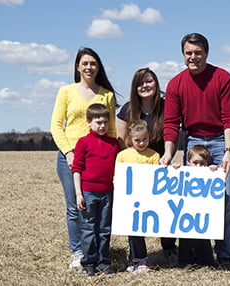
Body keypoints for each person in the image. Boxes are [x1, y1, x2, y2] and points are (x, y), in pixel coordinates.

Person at [160, 33, 230, 270]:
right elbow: (172, 122)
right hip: (194, 143)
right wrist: (168, 153)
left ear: (206, 53)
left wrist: (228, 152)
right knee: (193, 203)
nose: (193, 57)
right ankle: (195, 254)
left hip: (220, 140)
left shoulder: (224, 79)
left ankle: (224, 256)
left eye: (197, 52)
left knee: (224, 201)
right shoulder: (176, 84)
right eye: (188, 53)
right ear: (183, 55)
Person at [50, 47, 117, 269]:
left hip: (99, 157)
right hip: (70, 155)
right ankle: (78, 251)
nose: (89, 67)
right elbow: (56, 126)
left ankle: (97, 252)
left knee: (99, 208)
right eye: (85, 63)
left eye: (93, 63)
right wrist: (69, 152)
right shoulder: (66, 91)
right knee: (74, 206)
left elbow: (112, 131)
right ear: (77, 67)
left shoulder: (106, 94)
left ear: (99, 67)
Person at [116, 68, 178, 267]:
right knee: (136, 213)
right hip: (135, 171)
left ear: (156, 83)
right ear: (135, 87)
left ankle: (169, 249)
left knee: (166, 210)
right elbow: (120, 142)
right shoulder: (127, 110)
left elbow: (172, 133)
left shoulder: (167, 106)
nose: (145, 86)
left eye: (149, 81)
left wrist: (168, 158)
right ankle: (138, 256)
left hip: (161, 165)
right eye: (140, 83)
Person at [72, 104, 120, 276]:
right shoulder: (83, 142)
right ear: (89, 122)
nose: (102, 126)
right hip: (88, 192)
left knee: (105, 228)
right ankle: (88, 263)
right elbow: (76, 169)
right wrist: (78, 194)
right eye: (98, 122)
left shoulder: (114, 144)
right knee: (89, 228)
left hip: (107, 192)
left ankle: (103, 262)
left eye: (106, 122)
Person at [116, 119, 160, 274]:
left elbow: (159, 177)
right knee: (133, 230)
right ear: (130, 139)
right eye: (137, 140)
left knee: (142, 227)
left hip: (147, 199)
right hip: (130, 200)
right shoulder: (122, 155)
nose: (141, 143)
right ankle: (137, 258)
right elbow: (118, 177)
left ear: (149, 137)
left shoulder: (154, 156)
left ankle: (142, 258)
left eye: (145, 139)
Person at [173, 145, 217, 267]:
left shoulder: (209, 173)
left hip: (202, 213)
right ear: (188, 162)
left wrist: (214, 170)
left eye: (202, 163)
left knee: (203, 238)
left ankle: (206, 261)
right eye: (195, 163)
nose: (198, 166)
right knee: (185, 238)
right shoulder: (185, 172)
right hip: (185, 213)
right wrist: (175, 169)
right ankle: (185, 262)